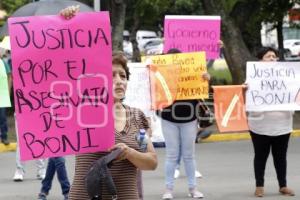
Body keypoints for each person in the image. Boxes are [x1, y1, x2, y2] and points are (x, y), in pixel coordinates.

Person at [60, 8, 158, 199]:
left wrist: (129, 152)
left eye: (123, 76)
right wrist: (66, 24)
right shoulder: (82, 111)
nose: (119, 80)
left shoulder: (137, 117)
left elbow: (151, 162)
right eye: (111, 75)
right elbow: (65, 65)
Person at [158, 48, 210, 199]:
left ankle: (193, 189)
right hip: (168, 119)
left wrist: (206, 79)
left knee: (189, 156)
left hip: (189, 119)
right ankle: (168, 189)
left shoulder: (193, 74)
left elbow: (204, 92)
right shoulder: (161, 76)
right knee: (171, 155)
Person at [247, 47, 295, 197]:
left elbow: (295, 94)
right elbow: (246, 97)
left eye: (274, 57)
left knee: (281, 157)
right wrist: (245, 89)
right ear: (260, 60)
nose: (272, 59)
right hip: (259, 126)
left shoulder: (288, 78)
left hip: (283, 126)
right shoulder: (252, 78)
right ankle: (259, 186)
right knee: (260, 157)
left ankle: (283, 185)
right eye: (268, 57)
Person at [0, 37, 12, 146]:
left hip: (2, 95)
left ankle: (4, 137)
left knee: (2, 117)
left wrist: (8, 91)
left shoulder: (3, 63)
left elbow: (9, 77)